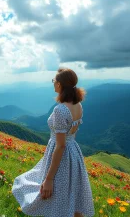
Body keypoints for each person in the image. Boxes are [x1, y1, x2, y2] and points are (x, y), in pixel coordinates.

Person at [11, 67, 95, 217]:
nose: (53, 83)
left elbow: (60, 145)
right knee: (69, 195)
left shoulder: (60, 110)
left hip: (60, 154)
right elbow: (72, 134)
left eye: (54, 81)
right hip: (73, 153)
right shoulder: (78, 105)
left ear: (60, 85)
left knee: (51, 192)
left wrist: (49, 179)